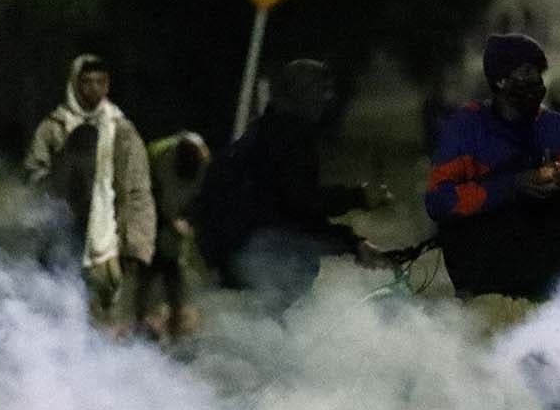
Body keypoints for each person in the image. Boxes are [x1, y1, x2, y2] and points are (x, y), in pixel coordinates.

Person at [197, 58, 388, 315]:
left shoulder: (263, 132)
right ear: (304, 94)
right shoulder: (291, 138)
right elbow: (301, 206)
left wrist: (352, 243)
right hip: (265, 258)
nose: (327, 99)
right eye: (322, 91)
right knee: (282, 322)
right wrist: (358, 198)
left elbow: (290, 212)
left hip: (235, 255)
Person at [426, 33, 560, 300]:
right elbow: (439, 202)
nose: (536, 81)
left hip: (547, 289)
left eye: (539, 72)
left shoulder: (558, 130)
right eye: (526, 72)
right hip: (481, 287)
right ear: (500, 79)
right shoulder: (467, 129)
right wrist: (512, 186)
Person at [25, 54, 155, 333]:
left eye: (101, 82)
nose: (94, 89)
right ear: (75, 84)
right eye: (86, 82)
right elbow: (34, 176)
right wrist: (60, 181)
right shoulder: (54, 127)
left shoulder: (123, 131)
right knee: (56, 305)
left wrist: (138, 242)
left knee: (102, 313)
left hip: (107, 234)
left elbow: (137, 190)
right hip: (63, 229)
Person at [141, 131, 210, 339]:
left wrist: (186, 219)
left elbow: (195, 197)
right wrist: (171, 221)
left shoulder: (202, 164)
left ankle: (171, 318)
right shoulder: (159, 159)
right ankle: (143, 317)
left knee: (172, 268)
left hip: (171, 227)